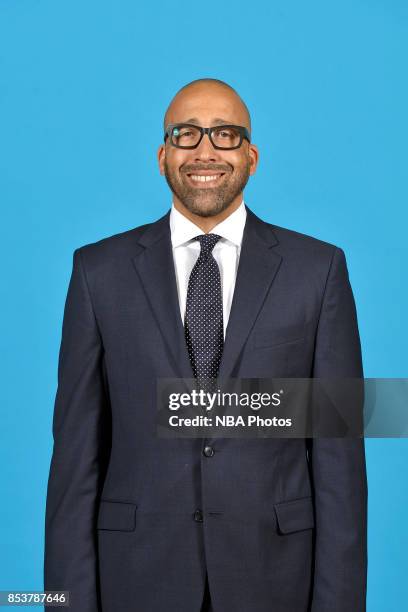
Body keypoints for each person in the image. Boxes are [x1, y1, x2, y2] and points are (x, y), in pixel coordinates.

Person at [44, 78, 367, 612]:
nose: (205, 150)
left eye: (225, 134)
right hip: (136, 577)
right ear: (163, 155)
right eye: (186, 133)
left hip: (275, 578)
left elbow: (340, 464)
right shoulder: (97, 272)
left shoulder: (319, 271)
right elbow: (75, 460)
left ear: (252, 156)